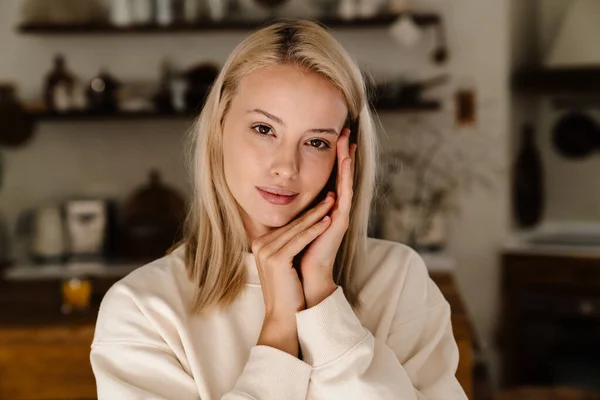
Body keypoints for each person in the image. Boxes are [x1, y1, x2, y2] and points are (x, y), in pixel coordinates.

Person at [90, 19, 468, 400]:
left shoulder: (398, 280)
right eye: (264, 129)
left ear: (344, 158)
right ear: (219, 127)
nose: (286, 167)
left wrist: (321, 296)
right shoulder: (142, 309)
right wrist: (278, 331)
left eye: (317, 142)